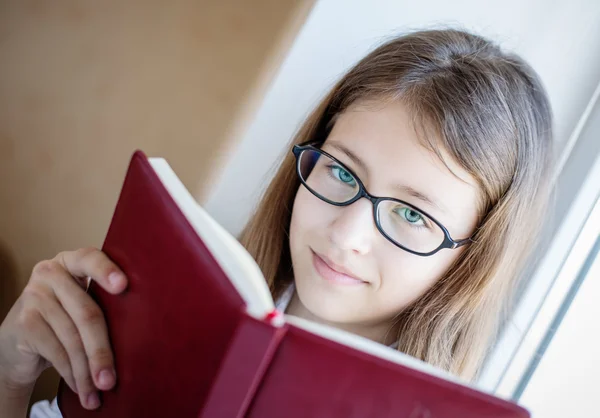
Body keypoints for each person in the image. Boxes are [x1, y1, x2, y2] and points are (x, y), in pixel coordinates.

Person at [0, 27, 554, 417]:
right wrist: (9, 377)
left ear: (471, 257)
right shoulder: (172, 302)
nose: (346, 235)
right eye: (340, 171)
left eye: (412, 214)